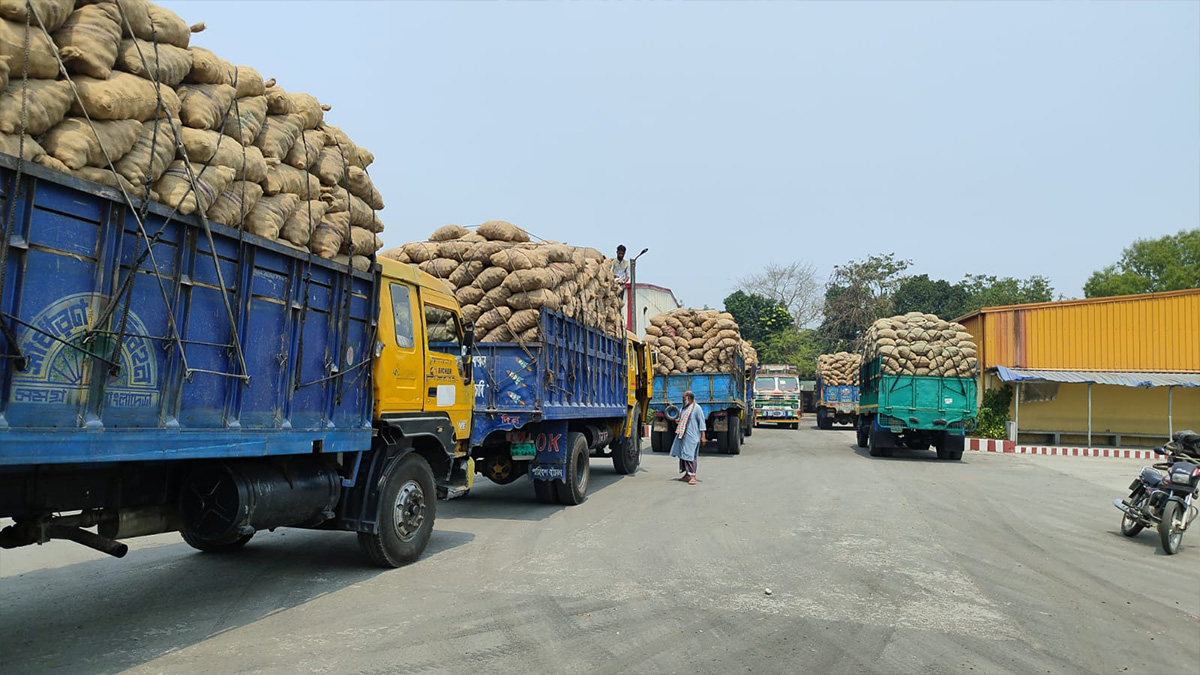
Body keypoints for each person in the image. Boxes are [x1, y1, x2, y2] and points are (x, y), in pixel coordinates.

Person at [669, 390, 705, 485]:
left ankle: (693, 476)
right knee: (683, 455)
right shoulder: (683, 409)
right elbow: (681, 419)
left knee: (690, 456)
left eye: (684, 398)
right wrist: (678, 421)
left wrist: (703, 436)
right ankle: (687, 474)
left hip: (693, 436)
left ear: (689, 398)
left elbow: (701, 422)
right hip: (683, 436)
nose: (682, 399)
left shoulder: (697, 408)